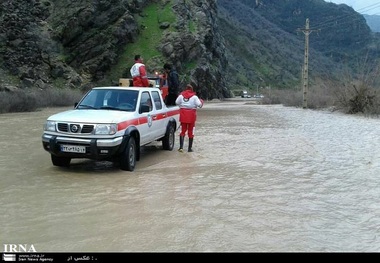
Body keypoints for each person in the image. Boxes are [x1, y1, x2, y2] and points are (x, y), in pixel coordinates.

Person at [175, 84, 204, 152]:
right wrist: (201, 102)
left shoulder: (181, 96)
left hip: (183, 115)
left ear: (186, 89)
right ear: (192, 89)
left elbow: (176, 102)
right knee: (191, 132)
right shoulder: (194, 97)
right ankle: (189, 148)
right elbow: (199, 105)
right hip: (191, 116)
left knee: (182, 131)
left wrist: (182, 105)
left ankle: (181, 147)